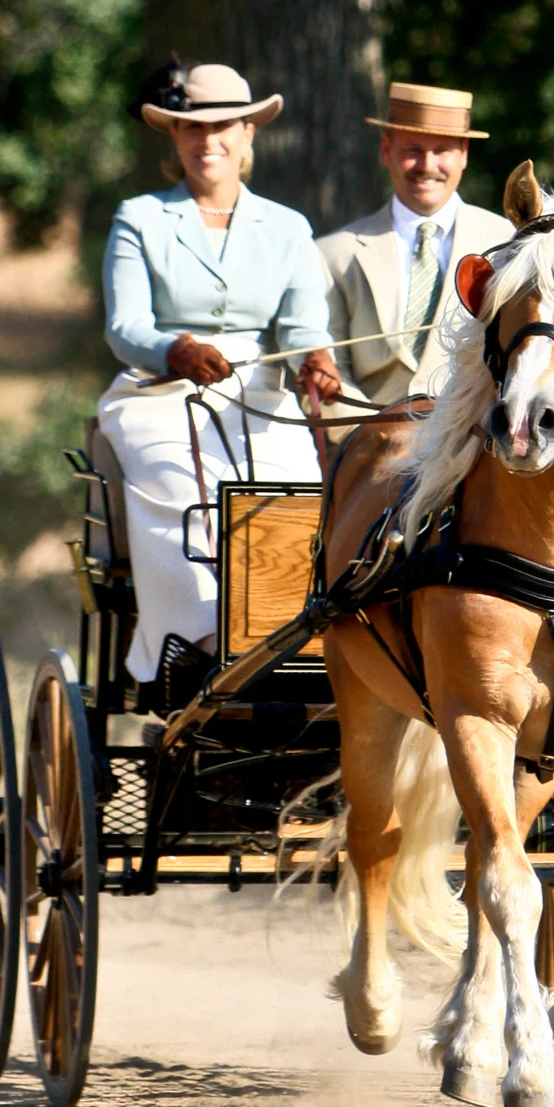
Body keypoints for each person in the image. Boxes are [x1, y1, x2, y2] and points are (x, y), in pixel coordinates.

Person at [96, 61, 342, 686]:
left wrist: (315, 361)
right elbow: (124, 327)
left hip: (257, 388)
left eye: (224, 125)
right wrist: (173, 350)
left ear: (248, 133)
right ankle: (199, 643)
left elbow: (304, 329)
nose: (209, 141)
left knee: (293, 486)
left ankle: (287, 635)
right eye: (191, 128)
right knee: (174, 485)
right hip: (159, 391)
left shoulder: (288, 228)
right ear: (173, 138)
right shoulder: (141, 218)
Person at [315, 81, 512, 409]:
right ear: (385, 150)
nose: (427, 166)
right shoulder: (333, 254)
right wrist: (369, 439)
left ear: (463, 154)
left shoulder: (507, 243)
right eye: (413, 150)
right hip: (368, 446)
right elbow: (327, 368)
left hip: (476, 448)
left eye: (442, 151)